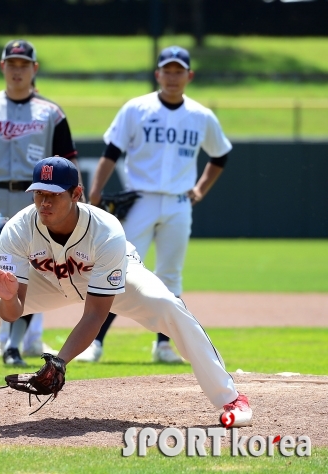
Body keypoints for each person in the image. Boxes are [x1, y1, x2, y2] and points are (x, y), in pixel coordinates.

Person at [0, 157, 251, 429]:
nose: (44, 203)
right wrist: (10, 298)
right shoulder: (17, 229)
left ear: (77, 194)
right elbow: (10, 313)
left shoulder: (106, 230)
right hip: (50, 280)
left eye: (53, 195)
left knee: (167, 305)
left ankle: (231, 399)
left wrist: (60, 361)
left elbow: (95, 313)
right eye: (39, 193)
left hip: (114, 274)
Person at [82, 46, 231, 364]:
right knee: (118, 268)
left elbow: (220, 155)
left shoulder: (201, 115)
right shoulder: (136, 108)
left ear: (189, 75)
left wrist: (201, 188)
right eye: (168, 70)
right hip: (140, 200)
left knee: (170, 275)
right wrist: (95, 193)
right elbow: (111, 152)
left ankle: (164, 345)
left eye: (180, 71)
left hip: (179, 203)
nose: (173, 77)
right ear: (158, 74)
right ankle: (95, 341)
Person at [0, 39, 80, 367]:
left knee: (34, 272)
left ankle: (13, 344)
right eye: (12, 64)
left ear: (34, 69)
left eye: (24, 65)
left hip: (37, 201)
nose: (17, 70)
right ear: (2, 67)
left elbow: (69, 162)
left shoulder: (50, 113)